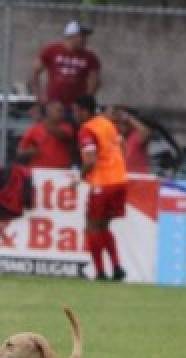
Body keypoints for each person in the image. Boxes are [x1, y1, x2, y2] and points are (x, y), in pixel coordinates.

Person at [72, 94, 128, 282]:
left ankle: (100, 272)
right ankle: (117, 267)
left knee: (92, 226)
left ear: (84, 111)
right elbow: (122, 147)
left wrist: (80, 176)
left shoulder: (87, 130)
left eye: (76, 111)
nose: (75, 115)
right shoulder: (106, 124)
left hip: (102, 182)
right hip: (119, 180)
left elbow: (90, 159)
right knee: (104, 226)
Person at [31, 21, 101, 110]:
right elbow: (34, 73)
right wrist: (38, 96)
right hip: (52, 105)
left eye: (85, 36)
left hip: (75, 108)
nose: (84, 39)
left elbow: (95, 81)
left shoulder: (90, 57)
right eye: (81, 36)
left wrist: (85, 102)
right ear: (70, 36)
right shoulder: (52, 50)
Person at [18, 100, 74, 169]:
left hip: (61, 170)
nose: (62, 113)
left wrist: (42, 120)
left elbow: (60, 134)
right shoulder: (34, 129)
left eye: (63, 111)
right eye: (59, 110)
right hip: (39, 170)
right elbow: (20, 152)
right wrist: (29, 152)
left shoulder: (67, 127)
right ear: (49, 111)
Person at [111, 106, 150, 175]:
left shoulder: (136, 136)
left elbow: (146, 132)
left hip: (138, 178)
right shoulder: (115, 138)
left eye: (124, 123)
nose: (120, 126)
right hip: (121, 177)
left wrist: (127, 117)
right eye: (117, 122)